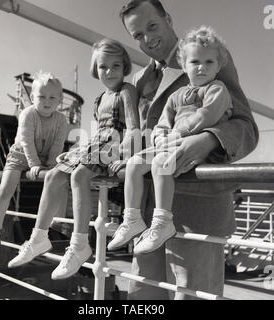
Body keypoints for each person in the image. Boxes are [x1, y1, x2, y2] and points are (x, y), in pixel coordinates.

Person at [117, 0, 259, 300]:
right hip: (148, 214)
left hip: (197, 210)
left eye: (152, 26)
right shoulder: (140, 79)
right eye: (137, 35)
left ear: (168, 19)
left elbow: (246, 126)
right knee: (142, 297)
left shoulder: (206, 56)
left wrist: (208, 139)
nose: (147, 38)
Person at [8, 38, 141, 280]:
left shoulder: (126, 90)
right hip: (96, 142)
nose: (109, 72)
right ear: (96, 69)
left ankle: (80, 243)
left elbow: (133, 127)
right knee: (54, 176)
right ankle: (39, 237)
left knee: (80, 175)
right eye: (103, 67)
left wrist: (125, 154)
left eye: (116, 66)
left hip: (114, 142)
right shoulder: (100, 98)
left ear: (124, 67)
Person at [108, 25, 234, 254]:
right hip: (170, 143)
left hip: (193, 145)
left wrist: (177, 134)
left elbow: (207, 115)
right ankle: (132, 218)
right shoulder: (177, 96)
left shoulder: (217, 89)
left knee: (160, 164)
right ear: (184, 66)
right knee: (136, 163)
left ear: (218, 66)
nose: (202, 68)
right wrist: (160, 137)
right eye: (195, 62)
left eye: (209, 63)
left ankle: (163, 221)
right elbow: (163, 122)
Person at [0, 71, 68, 250]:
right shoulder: (28, 114)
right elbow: (26, 141)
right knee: (5, 189)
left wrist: (50, 166)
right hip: (21, 155)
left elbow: (57, 145)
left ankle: (56, 225)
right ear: (32, 97)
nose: (47, 101)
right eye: (41, 96)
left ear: (60, 100)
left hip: (46, 157)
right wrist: (34, 165)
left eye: (52, 97)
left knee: (61, 180)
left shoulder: (62, 120)